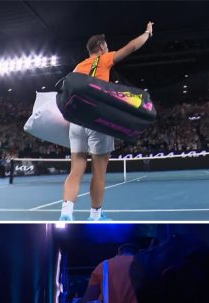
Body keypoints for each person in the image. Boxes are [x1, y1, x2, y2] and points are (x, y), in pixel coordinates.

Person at [59, 22, 154, 222]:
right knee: (99, 172)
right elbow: (132, 47)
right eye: (107, 45)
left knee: (76, 170)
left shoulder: (78, 67)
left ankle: (66, 213)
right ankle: (95, 216)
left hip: (76, 122)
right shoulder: (103, 59)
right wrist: (147, 33)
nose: (108, 48)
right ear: (101, 47)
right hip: (97, 120)